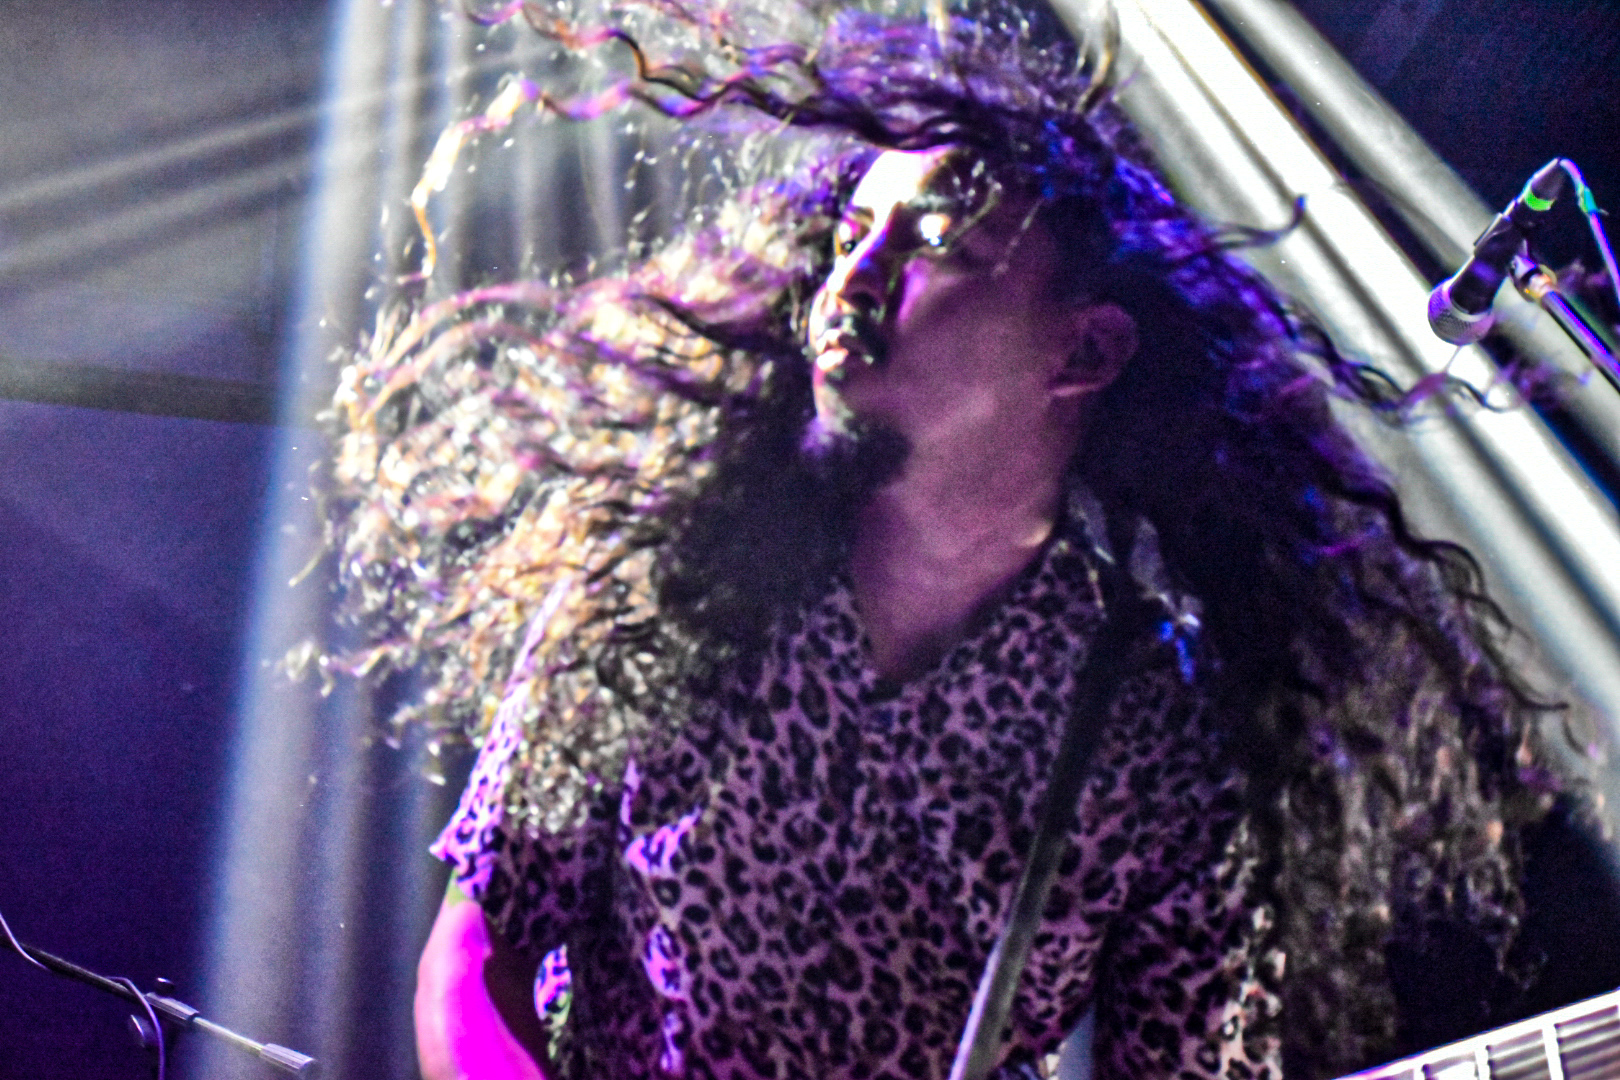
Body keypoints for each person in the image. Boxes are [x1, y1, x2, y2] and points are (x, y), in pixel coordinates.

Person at [321, 4, 1565, 1078]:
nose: (852, 275)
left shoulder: (1157, 740)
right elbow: (471, 961)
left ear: (1085, 350)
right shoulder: (668, 574)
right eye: (853, 232)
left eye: (928, 243)